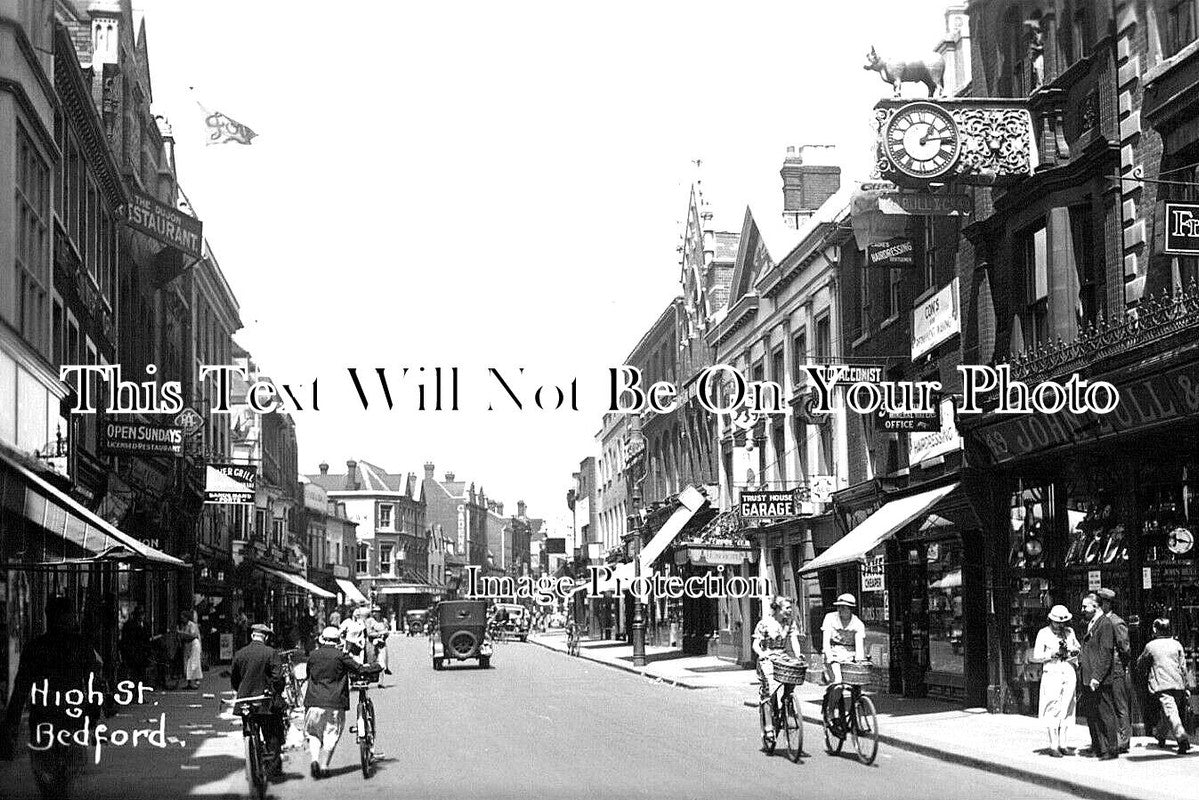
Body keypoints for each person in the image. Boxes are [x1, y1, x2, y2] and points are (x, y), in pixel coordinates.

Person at [0, 597, 105, 800]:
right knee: (68, 778)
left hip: (43, 720)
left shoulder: (35, 647)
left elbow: (21, 688)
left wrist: (11, 726)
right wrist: (93, 717)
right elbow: (93, 683)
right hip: (72, 721)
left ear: (47, 617)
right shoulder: (81, 645)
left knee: (47, 778)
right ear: (71, 618)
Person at [304, 626, 382, 779]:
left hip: (313, 702)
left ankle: (314, 760)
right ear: (337, 641)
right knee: (331, 734)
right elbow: (359, 669)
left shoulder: (313, 656)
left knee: (314, 734)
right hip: (335, 703)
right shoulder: (341, 656)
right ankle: (325, 766)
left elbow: (309, 675)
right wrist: (377, 666)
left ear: (322, 640)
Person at [230, 623, 288, 781]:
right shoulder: (271, 652)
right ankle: (274, 768)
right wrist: (277, 691)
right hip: (264, 700)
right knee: (272, 734)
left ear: (251, 636)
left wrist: (241, 691)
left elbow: (234, 679)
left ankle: (251, 754)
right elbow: (278, 677)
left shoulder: (240, 653)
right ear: (266, 637)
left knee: (249, 727)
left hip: (245, 701)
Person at [752, 595, 804, 750]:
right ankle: (768, 726)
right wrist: (761, 654)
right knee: (769, 693)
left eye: (790, 608)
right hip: (768, 658)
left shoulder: (790, 623)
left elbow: (794, 640)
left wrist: (798, 654)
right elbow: (756, 643)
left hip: (782, 656)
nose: (789, 611)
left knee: (792, 676)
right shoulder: (764, 624)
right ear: (777, 609)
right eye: (786, 608)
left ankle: (787, 703)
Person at [1030, 605, 1081, 757]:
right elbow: (1037, 655)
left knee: (1067, 705)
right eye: (1057, 622)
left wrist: (1072, 651)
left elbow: (1077, 648)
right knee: (1052, 705)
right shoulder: (1043, 633)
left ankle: (1064, 744)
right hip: (1052, 672)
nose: (1060, 625)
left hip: (1068, 669)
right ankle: (1053, 745)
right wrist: (1052, 653)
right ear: (1051, 620)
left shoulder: (1069, 632)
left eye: (1063, 622)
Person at [1137, 618, 1191, 754]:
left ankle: (1182, 738)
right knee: (1168, 713)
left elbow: (1141, 663)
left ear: (1155, 629)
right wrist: (1187, 686)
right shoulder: (1177, 644)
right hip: (1178, 684)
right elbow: (1183, 667)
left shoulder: (1151, 646)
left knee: (1170, 713)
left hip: (1162, 684)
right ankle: (1161, 735)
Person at [1079, 592, 1119, 760]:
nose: (1082, 609)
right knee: (1092, 714)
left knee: (1105, 713)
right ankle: (1098, 747)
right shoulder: (1092, 623)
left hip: (1098, 679)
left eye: (1085, 606)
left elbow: (1105, 652)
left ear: (1095, 607)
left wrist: (1097, 677)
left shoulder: (1105, 624)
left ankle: (1111, 748)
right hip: (1088, 677)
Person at [1096, 588, 1132, 752]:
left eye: (1100, 603)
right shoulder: (1101, 621)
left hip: (1116, 667)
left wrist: (1120, 665)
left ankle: (1124, 740)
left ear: (1107, 604)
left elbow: (1125, 648)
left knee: (1120, 704)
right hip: (1105, 667)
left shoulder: (1116, 622)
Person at [821, 593, 866, 685]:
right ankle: (833, 696)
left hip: (850, 655)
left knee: (856, 682)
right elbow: (826, 642)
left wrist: (859, 660)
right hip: (834, 653)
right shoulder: (830, 618)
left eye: (844, 607)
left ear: (851, 609)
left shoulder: (858, 624)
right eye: (839, 607)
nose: (840, 610)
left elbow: (859, 646)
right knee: (838, 680)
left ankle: (857, 698)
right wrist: (830, 657)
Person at [119, 605, 151, 686]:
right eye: (139, 614)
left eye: (142, 614)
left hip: (143, 654)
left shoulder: (146, 625)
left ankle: (139, 693)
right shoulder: (128, 625)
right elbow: (125, 640)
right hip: (132, 653)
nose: (141, 616)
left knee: (141, 675)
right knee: (134, 675)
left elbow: (147, 639)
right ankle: (135, 692)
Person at [177, 611, 203, 690]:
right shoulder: (183, 625)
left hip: (193, 644)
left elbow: (192, 635)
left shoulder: (192, 625)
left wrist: (181, 633)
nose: (182, 619)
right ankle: (189, 682)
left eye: (183, 617)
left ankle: (193, 682)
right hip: (187, 645)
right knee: (187, 664)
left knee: (193, 663)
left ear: (187, 617)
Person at [368, 606, 391, 675]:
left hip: (382, 642)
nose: (376, 613)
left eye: (377, 612)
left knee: (383, 661)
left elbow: (387, 630)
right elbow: (369, 633)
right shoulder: (370, 621)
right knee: (373, 660)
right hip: (372, 643)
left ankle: (381, 680)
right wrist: (379, 634)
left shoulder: (384, 621)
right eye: (374, 611)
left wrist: (385, 634)